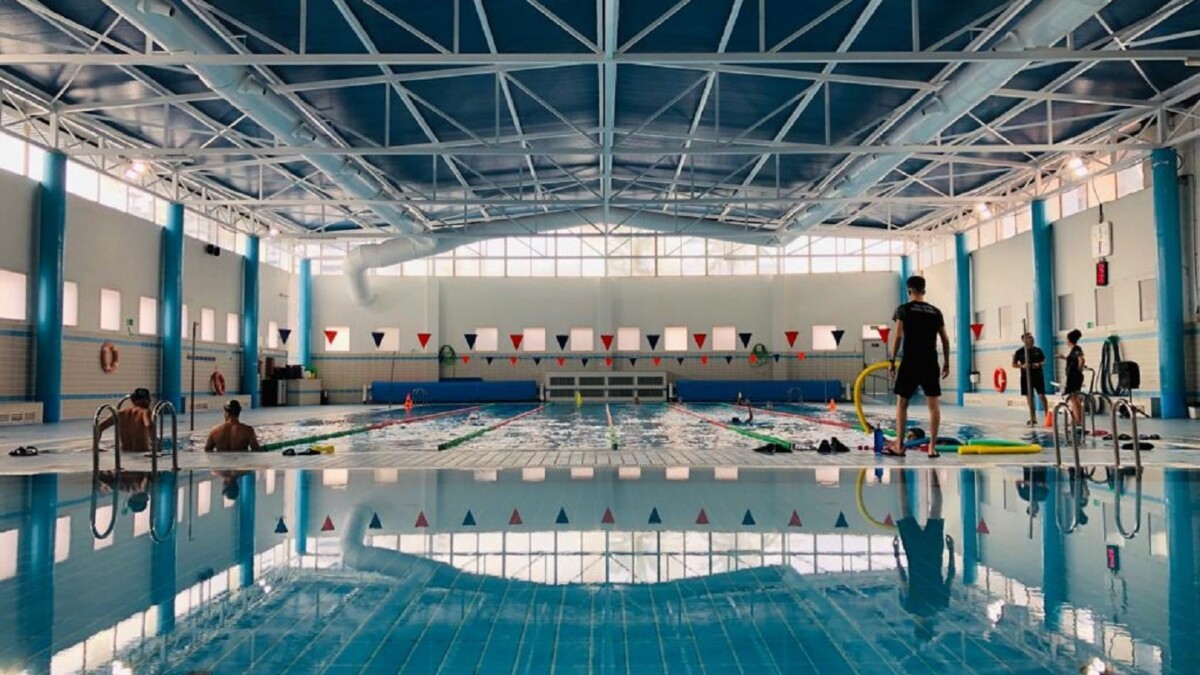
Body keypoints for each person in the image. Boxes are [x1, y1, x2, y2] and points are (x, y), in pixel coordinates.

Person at [887, 276, 951, 457]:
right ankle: (932, 447)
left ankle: (899, 446)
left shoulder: (903, 309)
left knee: (902, 403)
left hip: (911, 360)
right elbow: (945, 338)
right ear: (924, 290)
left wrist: (892, 361)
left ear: (909, 290)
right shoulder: (935, 311)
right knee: (933, 405)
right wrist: (946, 362)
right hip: (930, 360)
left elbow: (898, 336)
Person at [893, 469, 955, 642]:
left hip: (934, 553)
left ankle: (933, 469)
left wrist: (950, 550)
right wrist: (897, 555)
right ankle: (900, 470)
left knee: (936, 507)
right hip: (914, 555)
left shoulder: (941, 605)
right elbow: (903, 580)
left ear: (931, 627)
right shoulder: (910, 607)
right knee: (905, 508)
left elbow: (950, 576)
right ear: (917, 627)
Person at [98, 388, 156, 454]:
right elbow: (149, 425)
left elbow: (99, 427)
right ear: (144, 399)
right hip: (141, 453)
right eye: (148, 399)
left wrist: (96, 446)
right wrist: (156, 445)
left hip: (124, 453)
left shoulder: (120, 413)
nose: (150, 401)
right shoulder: (145, 412)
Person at [1012, 333, 1049, 425]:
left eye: (1032, 338)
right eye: (1030, 338)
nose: (1032, 340)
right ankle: (1033, 417)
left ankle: (1047, 415)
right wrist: (1022, 366)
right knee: (1029, 397)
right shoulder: (1019, 352)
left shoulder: (1038, 350)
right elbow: (1013, 364)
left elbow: (1044, 361)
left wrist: (1039, 364)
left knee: (1041, 395)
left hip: (1037, 375)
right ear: (1024, 340)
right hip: (1026, 377)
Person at [1058, 329, 1086, 434]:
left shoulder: (1077, 349)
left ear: (1069, 340)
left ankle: (1078, 422)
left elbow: (1081, 359)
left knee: (1074, 399)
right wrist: (1065, 358)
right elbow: (1074, 360)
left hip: (1074, 377)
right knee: (1074, 398)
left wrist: (1079, 368)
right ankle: (1077, 421)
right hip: (1074, 376)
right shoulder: (1074, 350)